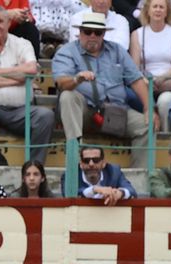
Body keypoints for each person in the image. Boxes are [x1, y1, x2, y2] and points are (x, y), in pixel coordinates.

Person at [55, 11, 151, 168]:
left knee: (147, 124)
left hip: (115, 112)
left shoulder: (117, 51)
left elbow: (136, 79)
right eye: (87, 32)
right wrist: (76, 79)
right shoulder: (67, 52)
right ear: (80, 33)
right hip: (84, 112)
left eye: (98, 32)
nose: (92, 36)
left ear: (104, 34)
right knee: (67, 96)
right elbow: (60, 82)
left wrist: (149, 108)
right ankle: (75, 160)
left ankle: (139, 179)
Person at [0, 4, 55, 165]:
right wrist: (17, 77)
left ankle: (34, 167)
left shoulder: (23, 43)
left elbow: (31, 69)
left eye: (0, 21)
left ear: (8, 23)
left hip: (20, 111)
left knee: (46, 116)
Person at [131, 0, 171, 125]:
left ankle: (165, 137)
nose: (158, 10)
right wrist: (146, 80)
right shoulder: (137, 34)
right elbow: (134, 67)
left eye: (162, 7)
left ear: (167, 12)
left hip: (168, 81)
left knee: (165, 101)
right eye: (155, 7)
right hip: (145, 82)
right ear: (148, 11)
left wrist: (162, 78)